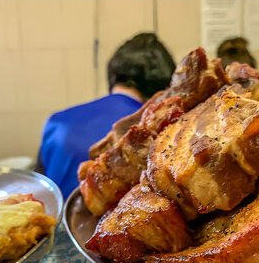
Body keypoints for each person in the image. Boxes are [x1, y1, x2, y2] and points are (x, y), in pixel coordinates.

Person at [35, 33, 176, 197]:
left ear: (113, 75)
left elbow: (37, 190)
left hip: (55, 220)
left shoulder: (57, 122)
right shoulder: (158, 133)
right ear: (163, 88)